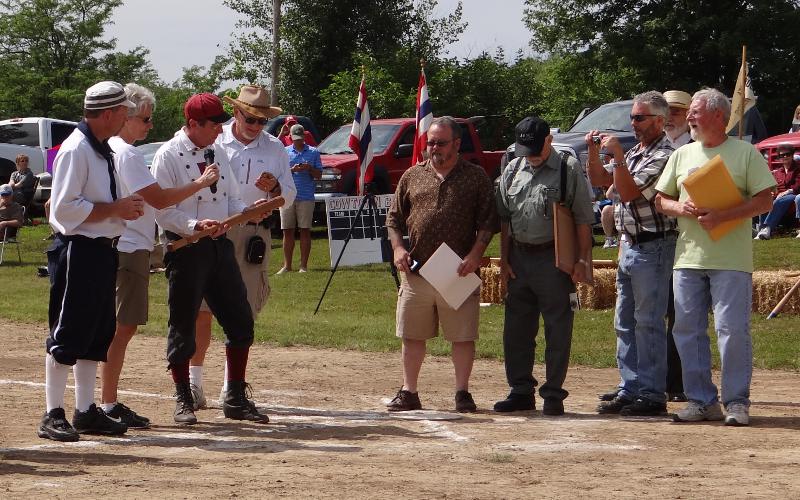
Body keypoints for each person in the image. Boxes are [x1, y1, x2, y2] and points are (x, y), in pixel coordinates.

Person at [99, 83, 220, 428]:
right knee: (121, 329)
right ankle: (106, 404)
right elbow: (161, 199)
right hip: (128, 246)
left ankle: (104, 402)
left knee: (117, 328)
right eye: (146, 119)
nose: (150, 126)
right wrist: (200, 183)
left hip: (124, 244)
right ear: (125, 117)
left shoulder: (109, 150)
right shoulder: (126, 153)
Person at [655, 88, 775, 426]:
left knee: (731, 330)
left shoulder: (745, 153)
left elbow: (766, 200)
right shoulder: (682, 155)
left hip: (731, 259)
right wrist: (681, 207)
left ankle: (736, 402)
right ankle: (700, 400)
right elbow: (661, 200)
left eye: (695, 112)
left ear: (718, 116)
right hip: (688, 258)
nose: (689, 117)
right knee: (687, 330)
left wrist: (725, 216)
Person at [152, 92, 273, 425]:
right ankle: (183, 399)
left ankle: (234, 397)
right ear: (193, 124)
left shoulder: (217, 150)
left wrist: (245, 213)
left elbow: (232, 198)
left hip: (220, 247)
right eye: (214, 124)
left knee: (240, 321)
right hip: (186, 249)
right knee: (184, 326)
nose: (221, 131)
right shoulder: (167, 155)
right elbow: (161, 209)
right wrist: (194, 225)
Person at [37, 81, 145, 442]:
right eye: (124, 113)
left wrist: (120, 209)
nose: (126, 119)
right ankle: (53, 413)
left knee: (97, 332)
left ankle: (85, 411)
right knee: (68, 331)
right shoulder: (76, 149)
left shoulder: (101, 149)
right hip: (79, 249)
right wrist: (116, 208)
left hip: (101, 249)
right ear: (110, 113)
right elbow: (64, 210)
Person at [186, 85, 295, 410]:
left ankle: (232, 387)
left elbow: (289, 193)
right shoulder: (215, 141)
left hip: (251, 235)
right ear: (236, 112)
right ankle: (194, 384)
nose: (256, 125)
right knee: (202, 310)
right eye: (251, 118)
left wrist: (275, 188)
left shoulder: (275, 148)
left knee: (243, 311)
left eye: (262, 121)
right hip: (215, 231)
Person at [385, 116, 497, 413]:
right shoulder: (412, 175)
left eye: (440, 142)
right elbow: (394, 218)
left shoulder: (474, 176)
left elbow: (488, 221)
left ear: (457, 144)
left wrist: (475, 255)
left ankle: (462, 392)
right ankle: (409, 391)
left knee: (462, 336)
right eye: (430, 142)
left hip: (457, 271)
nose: (433, 148)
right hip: (417, 270)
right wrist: (398, 249)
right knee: (411, 335)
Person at [494, 116, 593, 416]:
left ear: (549, 140)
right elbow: (505, 219)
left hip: (554, 258)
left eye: (536, 148)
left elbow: (582, 219)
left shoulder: (567, 168)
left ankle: (553, 394)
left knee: (558, 328)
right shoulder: (512, 168)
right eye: (526, 149)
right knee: (516, 330)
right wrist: (504, 260)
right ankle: (521, 390)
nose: (532, 155)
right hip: (520, 259)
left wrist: (581, 261)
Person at [586, 91, 677, 416]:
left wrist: (618, 157)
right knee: (624, 321)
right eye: (632, 118)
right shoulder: (638, 151)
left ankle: (652, 393)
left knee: (648, 322)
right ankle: (631, 387)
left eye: (639, 118)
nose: (633, 123)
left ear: (660, 121)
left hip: (654, 245)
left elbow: (627, 192)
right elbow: (600, 181)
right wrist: (595, 153)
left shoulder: (665, 154)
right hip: (631, 244)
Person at [278, 123, 322, 273]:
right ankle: (287, 265)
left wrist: (309, 168)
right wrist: (292, 169)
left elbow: (319, 175)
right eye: (296, 139)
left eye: (301, 138)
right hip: (287, 196)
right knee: (287, 231)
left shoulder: (314, 152)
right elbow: (279, 173)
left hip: (306, 196)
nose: (299, 141)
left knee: (305, 230)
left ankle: (303, 266)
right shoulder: (284, 152)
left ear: (304, 136)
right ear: (290, 137)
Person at [754, 144, 800, 240]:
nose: (785, 157)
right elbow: (776, 188)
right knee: (764, 199)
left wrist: (787, 192)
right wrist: (771, 193)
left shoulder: (798, 169)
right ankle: (761, 230)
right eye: (781, 155)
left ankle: (767, 228)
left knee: (780, 201)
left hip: (794, 194)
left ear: (792, 155)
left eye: (787, 154)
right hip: (780, 196)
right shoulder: (778, 172)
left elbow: (798, 186)